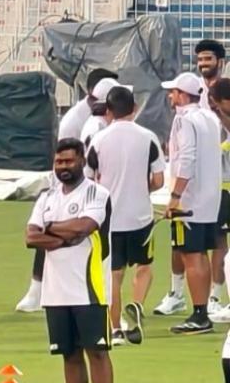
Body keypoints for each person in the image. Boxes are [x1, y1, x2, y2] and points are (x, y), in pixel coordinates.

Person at [25, 139, 119, 383]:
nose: (63, 167)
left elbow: (85, 227)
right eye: (59, 162)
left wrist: (51, 229)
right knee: (69, 355)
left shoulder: (96, 193)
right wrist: (62, 233)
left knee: (98, 352)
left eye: (69, 161)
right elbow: (30, 237)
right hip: (55, 291)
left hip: (89, 287)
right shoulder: (47, 198)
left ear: (81, 161)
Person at [17, 68, 119, 313]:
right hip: (72, 185)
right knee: (87, 241)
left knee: (71, 236)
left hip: (79, 184)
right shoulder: (88, 123)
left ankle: (39, 291)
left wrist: (49, 228)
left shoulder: (88, 118)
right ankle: (39, 290)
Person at [86, 86, 165, 346]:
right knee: (144, 268)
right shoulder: (149, 137)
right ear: (134, 108)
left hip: (111, 220)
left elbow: (88, 180)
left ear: (108, 111)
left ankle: (116, 329)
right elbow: (158, 179)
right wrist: (143, 189)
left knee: (114, 275)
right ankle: (138, 307)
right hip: (141, 216)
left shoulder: (99, 140)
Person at [157, 41, 229, 317]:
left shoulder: (184, 120)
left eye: (173, 92)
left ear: (182, 95)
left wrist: (174, 197)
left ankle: (199, 311)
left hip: (190, 200)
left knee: (190, 252)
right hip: (211, 197)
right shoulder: (211, 118)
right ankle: (203, 304)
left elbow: (186, 160)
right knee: (200, 250)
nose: (170, 97)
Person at [206, 77, 230, 324]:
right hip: (222, 190)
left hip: (226, 188)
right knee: (220, 244)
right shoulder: (216, 120)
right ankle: (216, 295)